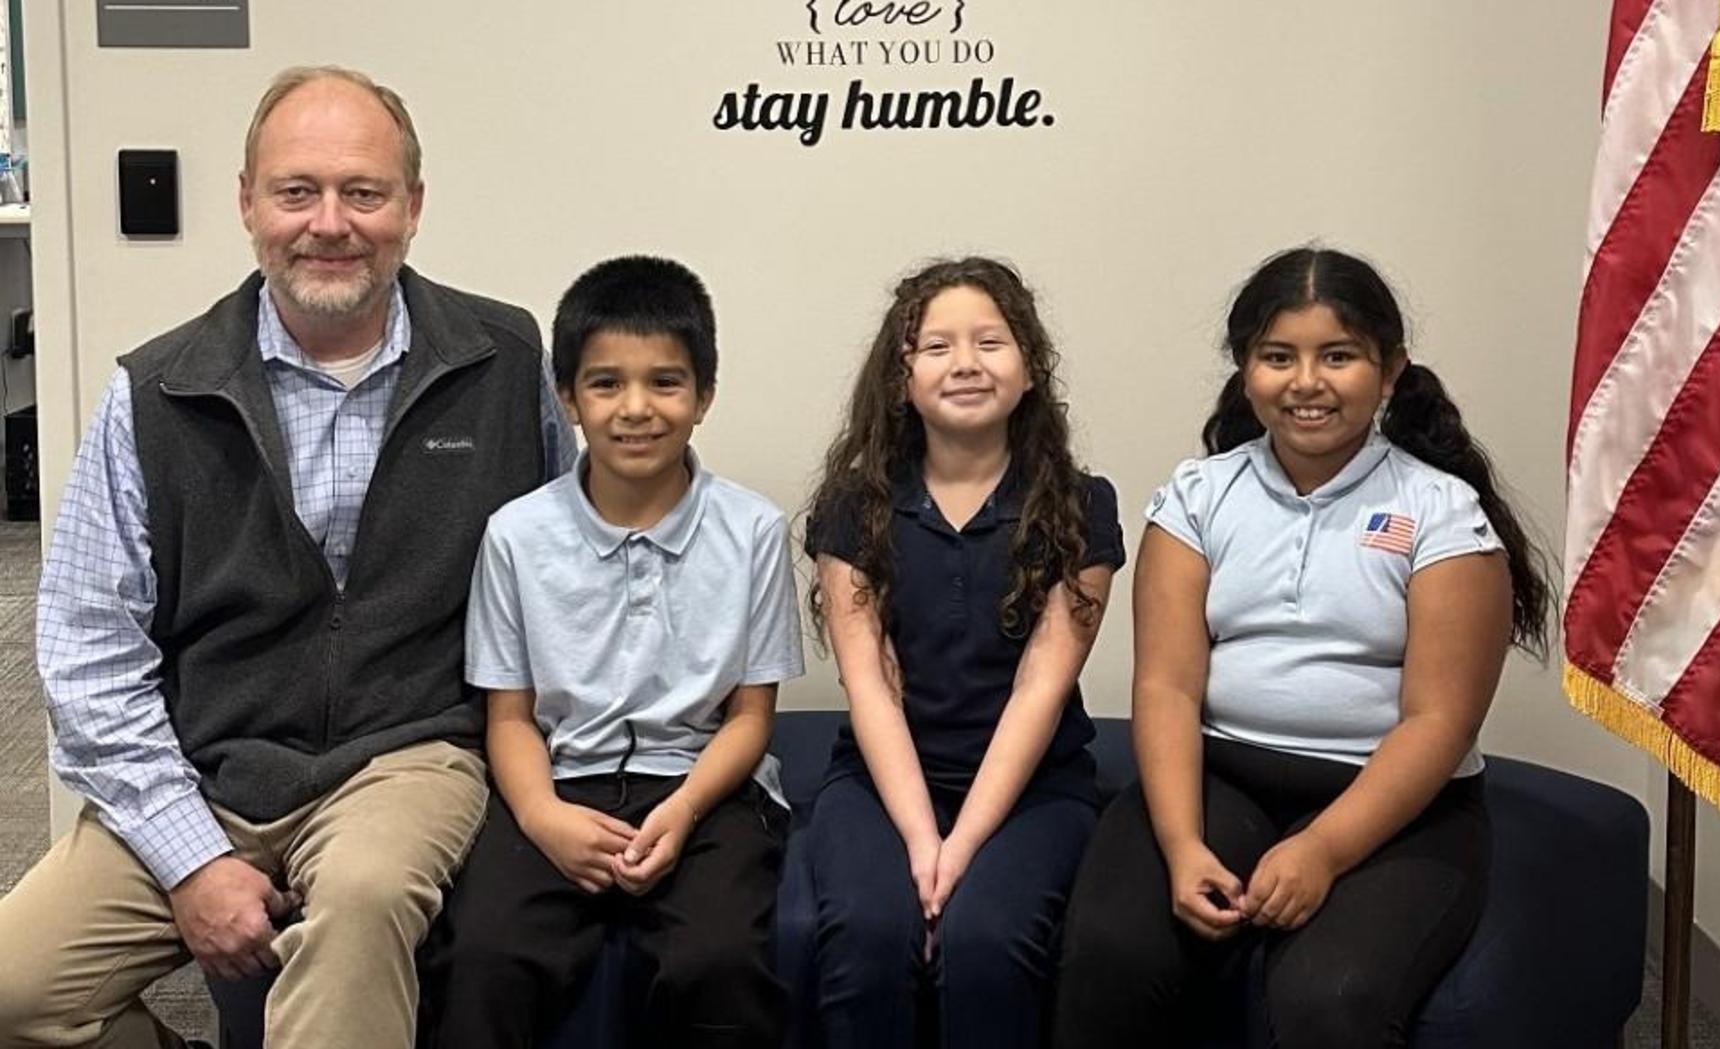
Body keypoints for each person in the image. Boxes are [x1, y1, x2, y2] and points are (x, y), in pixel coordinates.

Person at [0, 66, 573, 1049]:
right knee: (18, 990)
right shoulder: (157, 388)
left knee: (358, 898)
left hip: (409, 753)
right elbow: (89, 648)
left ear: (413, 206)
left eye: (364, 191)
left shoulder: (505, 359)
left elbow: (566, 571)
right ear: (247, 203)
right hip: (206, 762)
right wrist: (188, 856)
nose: (330, 222)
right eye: (296, 191)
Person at [1052, 247, 1552, 1048]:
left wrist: (1321, 849)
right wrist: (1181, 846)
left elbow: (1438, 722)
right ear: (1247, 371)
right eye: (1278, 356)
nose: (1306, 381)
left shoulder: (1443, 513)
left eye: (1339, 355)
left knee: (1331, 997)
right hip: (1219, 778)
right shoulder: (1197, 497)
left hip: (1397, 802)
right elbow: (1168, 688)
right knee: (1113, 951)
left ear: (1390, 372)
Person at [423, 256, 804, 1049]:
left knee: (720, 960)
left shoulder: (754, 530)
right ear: (567, 396)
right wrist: (543, 817)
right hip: (560, 785)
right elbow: (511, 717)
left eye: (666, 382)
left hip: (705, 789)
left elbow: (749, 715)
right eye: (605, 383)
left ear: (703, 395)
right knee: (484, 956)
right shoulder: (517, 535)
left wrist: (685, 808)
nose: (637, 409)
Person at [802, 257, 1124, 1048]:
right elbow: (871, 686)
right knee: (873, 938)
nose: (968, 363)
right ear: (899, 377)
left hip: (1033, 787)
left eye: (992, 341)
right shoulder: (854, 506)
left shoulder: (1083, 506)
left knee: (984, 944)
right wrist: (920, 839)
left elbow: (1039, 691)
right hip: (882, 783)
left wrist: (964, 845)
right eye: (937, 346)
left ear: (1029, 370)